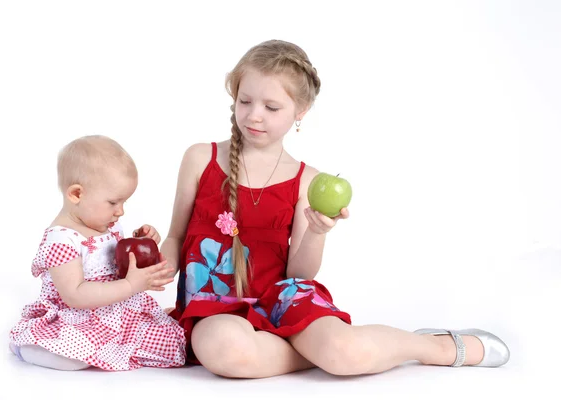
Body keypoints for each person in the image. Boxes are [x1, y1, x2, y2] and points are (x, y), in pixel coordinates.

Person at [161, 40, 510, 378]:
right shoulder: (200, 158)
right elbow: (176, 236)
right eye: (245, 101)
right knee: (227, 351)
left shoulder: (305, 181)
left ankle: (431, 346)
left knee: (346, 352)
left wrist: (316, 231)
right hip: (213, 308)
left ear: (300, 112)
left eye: (271, 107)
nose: (254, 116)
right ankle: (320, 356)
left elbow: (301, 273)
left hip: (281, 299)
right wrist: (157, 267)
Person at [9, 135, 186, 371]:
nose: (120, 211)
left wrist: (141, 240)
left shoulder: (104, 224)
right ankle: (31, 348)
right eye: (113, 202)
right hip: (78, 317)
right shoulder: (61, 240)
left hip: (117, 310)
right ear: (76, 194)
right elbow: (76, 295)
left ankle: (119, 343)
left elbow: (117, 260)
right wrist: (131, 286)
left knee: (172, 341)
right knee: (74, 358)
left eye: (124, 202)